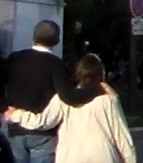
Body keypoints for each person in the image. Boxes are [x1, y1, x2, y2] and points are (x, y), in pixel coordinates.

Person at [1, 20, 103, 163]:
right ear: (56, 41)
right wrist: (98, 88)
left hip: (14, 129)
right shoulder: (55, 64)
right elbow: (69, 97)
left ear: (34, 37)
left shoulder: (15, 58)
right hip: (43, 134)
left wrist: (4, 107)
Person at [4, 53, 136, 163]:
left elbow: (42, 122)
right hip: (102, 155)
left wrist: (17, 114)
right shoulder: (108, 99)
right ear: (101, 74)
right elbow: (122, 136)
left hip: (70, 156)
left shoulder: (63, 99)